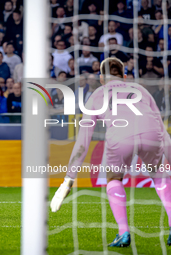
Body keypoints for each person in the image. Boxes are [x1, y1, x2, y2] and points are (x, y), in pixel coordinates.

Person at [50, 57, 171, 247]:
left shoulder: (97, 94)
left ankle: (123, 233)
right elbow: (163, 132)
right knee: (160, 175)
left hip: (120, 136)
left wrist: (68, 179)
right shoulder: (141, 90)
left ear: (101, 79)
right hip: (151, 134)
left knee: (114, 178)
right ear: (124, 76)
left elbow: (83, 140)